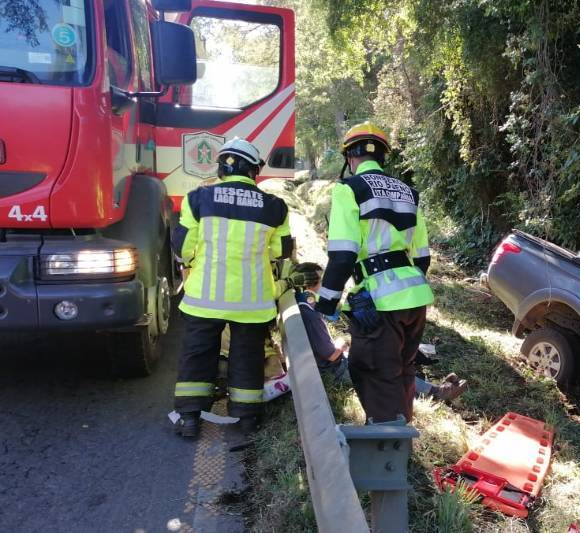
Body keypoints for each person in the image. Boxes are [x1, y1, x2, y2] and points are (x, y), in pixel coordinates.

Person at [171, 137, 297, 439]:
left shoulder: (197, 199)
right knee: (247, 357)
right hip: (251, 303)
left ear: (222, 167)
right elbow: (281, 251)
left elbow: (183, 247)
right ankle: (247, 419)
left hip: (204, 299)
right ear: (254, 171)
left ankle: (189, 418)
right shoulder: (275, 207)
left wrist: (193, 259)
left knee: (197, 356)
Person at [314, 122, 435, 423]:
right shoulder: (409, 193)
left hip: (380, 303)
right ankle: (401, 430)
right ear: (383, 156)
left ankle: (387, 449)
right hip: (415, 298)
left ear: (350, 157)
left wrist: (327, 303)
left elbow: (343, 255)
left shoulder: (348, 189)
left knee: (373, 371)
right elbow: (421, 257)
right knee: (402, 368)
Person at [294, 262, 467, 401]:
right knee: (385, 369)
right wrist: (344, 342)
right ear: (309, 284)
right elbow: (330, 355)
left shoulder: (302, 305)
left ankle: (429, 388)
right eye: (322, 279)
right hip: (335, 369)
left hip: (330, 364)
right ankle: (437, 393)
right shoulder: (309, 314)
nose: (326, 282)